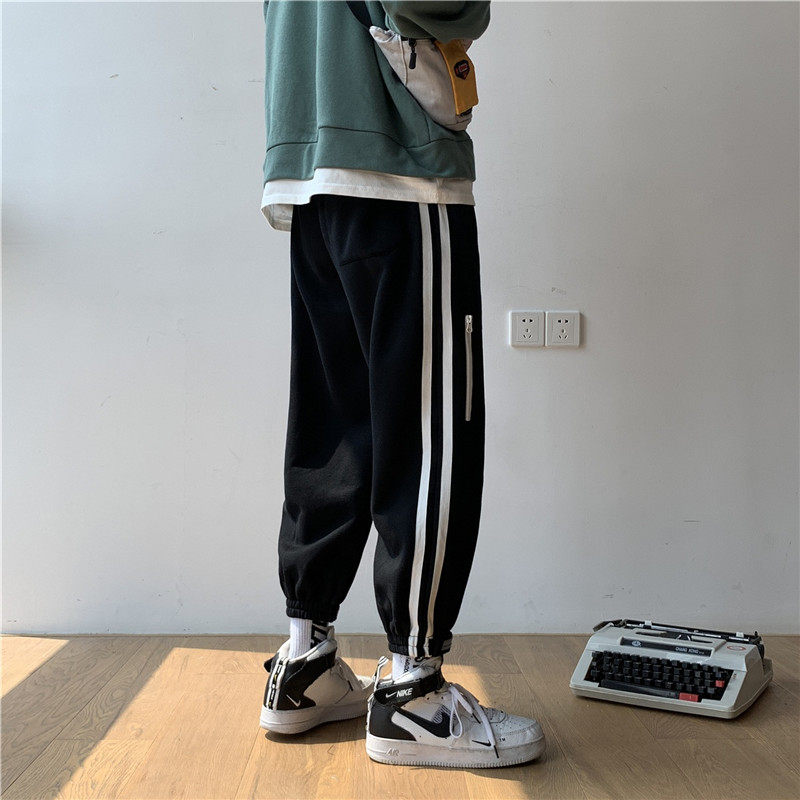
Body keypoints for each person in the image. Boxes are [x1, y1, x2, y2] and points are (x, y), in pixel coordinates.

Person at [258, 0, 544, 768]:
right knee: (432, 428)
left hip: (307, 159)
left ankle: (304, 662)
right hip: (398, 163)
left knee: (331, 422)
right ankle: (413, 691)